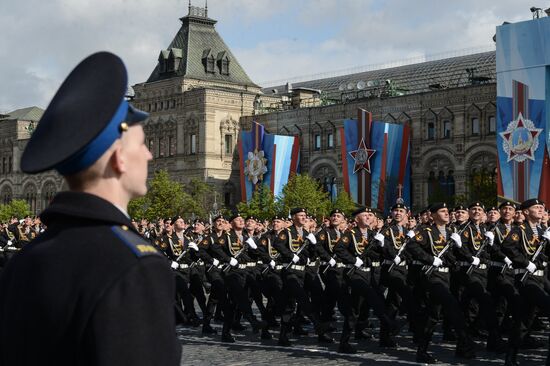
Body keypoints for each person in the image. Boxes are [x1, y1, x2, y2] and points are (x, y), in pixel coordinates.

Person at [0, 52, 181, 365]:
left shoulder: (26, 260)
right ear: (118, 159)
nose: (150, 156)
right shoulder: (134, 266)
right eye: (141, 144)